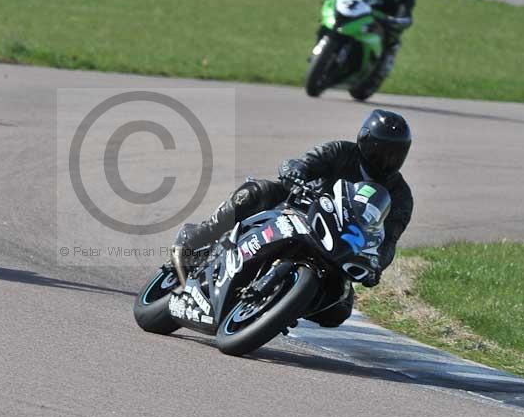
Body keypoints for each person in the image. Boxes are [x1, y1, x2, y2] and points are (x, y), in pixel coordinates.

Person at [171, 109, 413, 327]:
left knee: (337, 310)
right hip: (300, 211)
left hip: (339, 248)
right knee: (255, 192)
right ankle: (200, 236)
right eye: (379, 149)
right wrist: (294, 174)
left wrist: (377, 265)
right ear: (364, 141)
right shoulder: (340, 151)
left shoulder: (401, 196)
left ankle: (282, 304)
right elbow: (301, 163)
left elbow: (389, 240)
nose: (386, 159)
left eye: (395, 154)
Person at [342, 0, 416, 91]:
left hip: (390, 21)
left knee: (391, 46)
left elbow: (407, 14)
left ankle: (377, 76)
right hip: (371, 11)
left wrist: (399, 22)